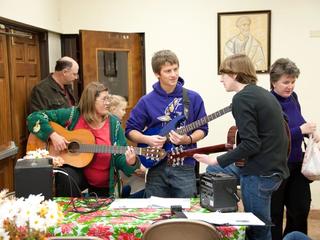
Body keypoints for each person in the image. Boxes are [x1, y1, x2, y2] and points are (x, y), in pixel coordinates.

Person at [193, 54, 289, 240]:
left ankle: (224, 223)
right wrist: (217, 163)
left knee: (257, 228)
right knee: (214, 170)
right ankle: (224, 214)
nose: (221, 79)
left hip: (260, 172)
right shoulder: (260, 93)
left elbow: (251, 144)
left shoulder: (242, 98)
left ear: (235, 74)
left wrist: (216, 158)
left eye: (224, 75)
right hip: (274, 168)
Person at [27, 81, 140, 197]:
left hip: (102, 185)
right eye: (104, 99)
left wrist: (130, 162)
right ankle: (70, 211)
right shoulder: (73, 115)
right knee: (65, 176)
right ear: (91, 101)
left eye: (109, 99)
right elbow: (34, 117)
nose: (108, 103)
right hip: (77, 175)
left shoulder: (114, 124)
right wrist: (52, 135)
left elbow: (119, 158)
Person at [125, 49, 208, 198]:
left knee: (187, 211)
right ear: (157, 74)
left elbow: (203, 129)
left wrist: (187, 139)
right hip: (156, 166)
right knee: (155, 213)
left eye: (175, 69)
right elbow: (130, 130)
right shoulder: (146, 101)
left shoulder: (193, 98)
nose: (174, 74)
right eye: (168, 71)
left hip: (184, 165)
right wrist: (147, 139)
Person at [269, 58, 320, 239]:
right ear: (274, 82)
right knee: (274, 213)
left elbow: (298, 120)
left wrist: (310, 132)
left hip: (297, 163)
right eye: (285, 82)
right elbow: (274, 136)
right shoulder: (269, 103)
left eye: (292, 82)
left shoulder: (293, 98)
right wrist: (300, 131)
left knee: (300, 209)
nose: (290, 86)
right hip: (277, 166)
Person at [109, 94, 146, 198]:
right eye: (123, 109)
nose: (125, 113)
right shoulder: (115, 124)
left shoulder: (114, 123)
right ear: (113, 109)